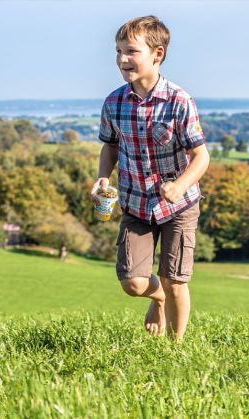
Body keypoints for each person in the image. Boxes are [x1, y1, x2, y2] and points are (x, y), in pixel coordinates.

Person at [91, 16, 209, 341]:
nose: (122, 59)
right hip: (135, 205)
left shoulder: (178, 101)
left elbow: (201, 156)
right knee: (133, 284)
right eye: (117, 51)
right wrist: (102, 178)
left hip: (179, 207)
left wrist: (180, 185)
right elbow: (110, 146)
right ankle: (155, 298)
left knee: (175, 281)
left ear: (157, 54)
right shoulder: (114, 103)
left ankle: (175, 348)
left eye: (131, 51)